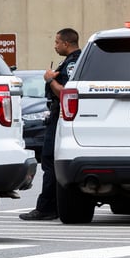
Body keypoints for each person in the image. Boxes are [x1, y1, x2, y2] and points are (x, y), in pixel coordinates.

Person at [19, 28, 81, 221]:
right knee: (52, 162)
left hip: (60, 117)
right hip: (61, 117)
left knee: (49, 161)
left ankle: (46, 208)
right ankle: (53, 205)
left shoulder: (71, 64)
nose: (55, 46)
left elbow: (65, 93)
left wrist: (50, 80)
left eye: (57, 42)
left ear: (67, 43)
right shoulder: (73, 61)